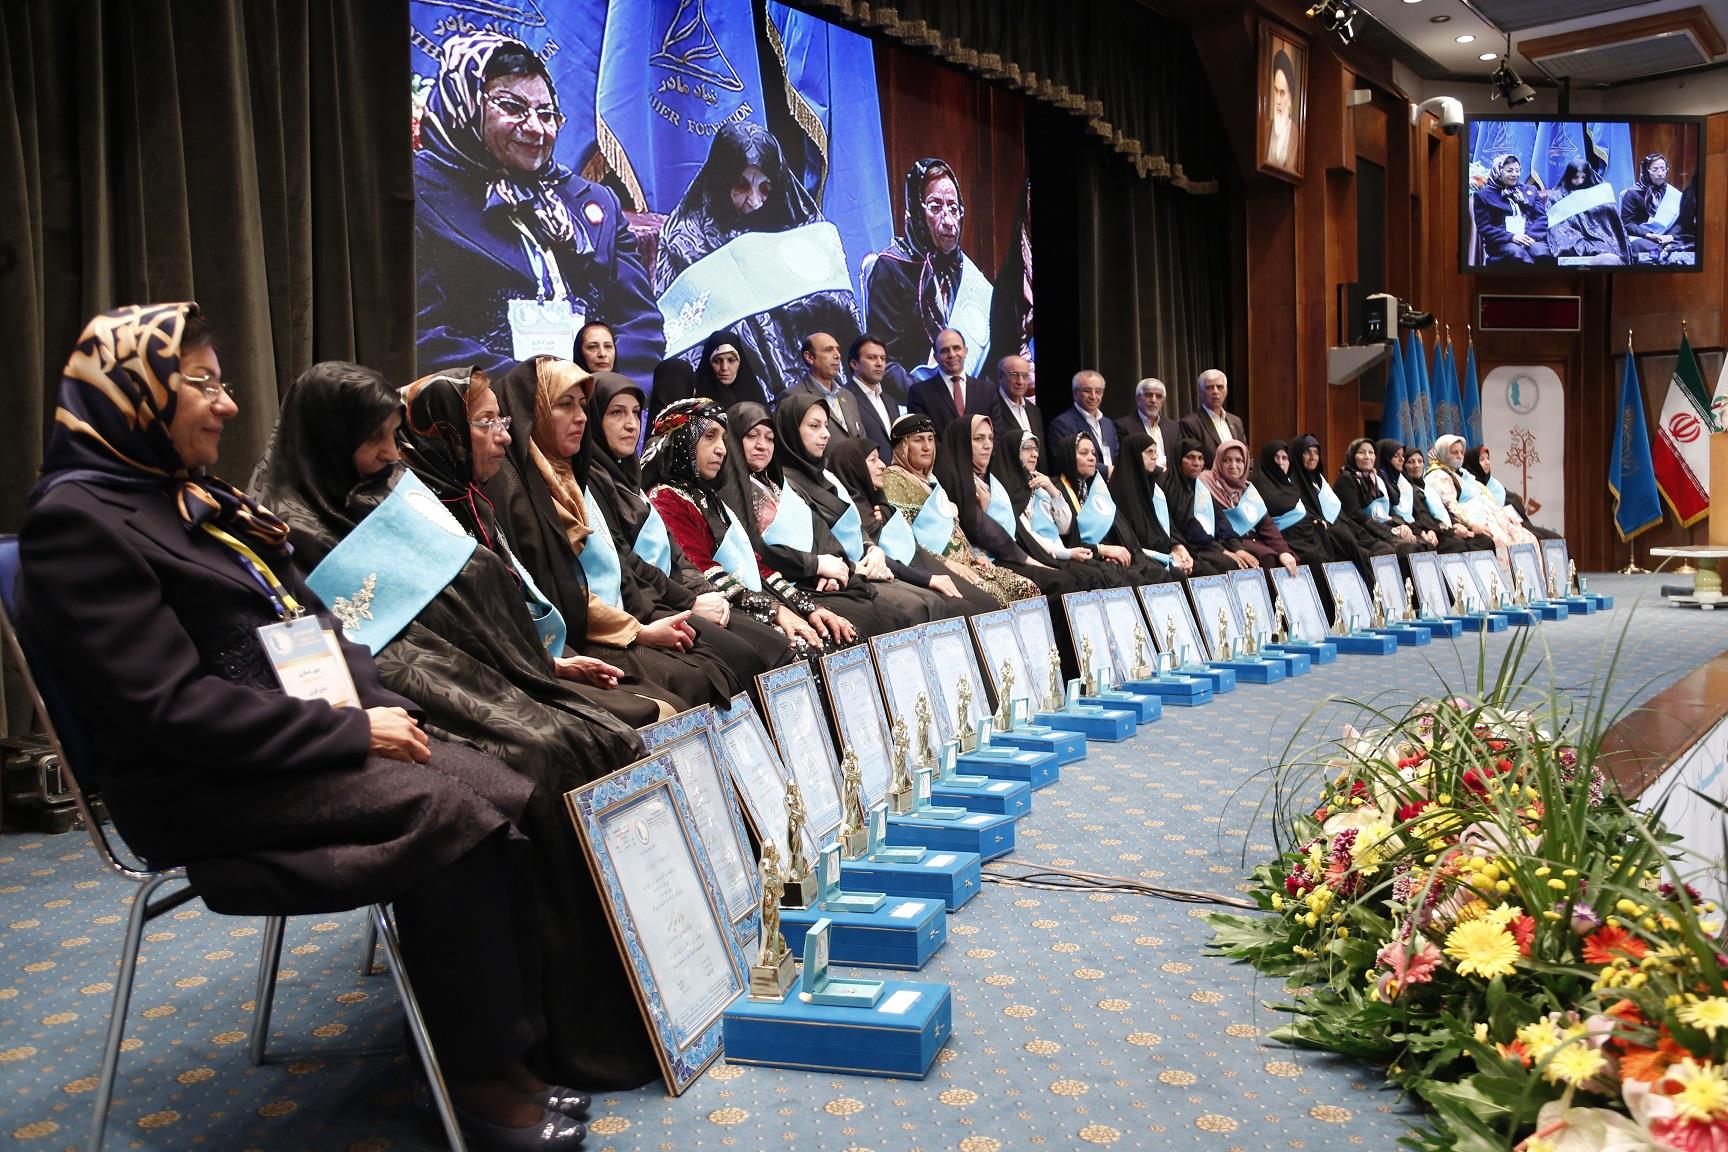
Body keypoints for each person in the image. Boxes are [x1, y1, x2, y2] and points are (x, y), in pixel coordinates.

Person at [26, 304, 589, 1148]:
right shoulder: (79, 523)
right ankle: (473, 1081)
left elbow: (315, 625)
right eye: (202, 383)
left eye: (224, 382)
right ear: (131, 393)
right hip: (199, 785)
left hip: (287, 745)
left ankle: (501, 1050)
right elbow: (172, 708)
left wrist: (375, 706)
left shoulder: (198, 500)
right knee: (451, 817)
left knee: (506, 788)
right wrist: (352, 735)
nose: (228, 404)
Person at [253, 360, 682, 1091]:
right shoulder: (285, 529)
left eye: (394, 435)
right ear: (329, 438)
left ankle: (644, 991)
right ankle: (558, 1031)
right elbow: (343, 654)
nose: (391, 452)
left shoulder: (389, 492)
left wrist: (539, 669)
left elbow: (471, 601)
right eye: (375, 439)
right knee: (542, 761)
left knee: (601, 737)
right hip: (389, 702)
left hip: (485, 674)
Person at [484, 357, 750, 709]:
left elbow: (639, 561)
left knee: (726, 659)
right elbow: (555, 593)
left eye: (583, 406)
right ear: (534, 410)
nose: (581, 417)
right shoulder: (513, 490)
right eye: (565, 404)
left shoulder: (573, 475)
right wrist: (642, 628)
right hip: (580, 634)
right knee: (696, 678)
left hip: (626, 611)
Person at [415, 32, 663, 381]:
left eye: (546, 114)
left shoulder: (596, 202)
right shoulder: (416, 195)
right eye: (512, 108)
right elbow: (423, 336)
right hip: (485, 405)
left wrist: (609, 392)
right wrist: (541, 390)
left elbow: (642, 326)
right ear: (464, 102)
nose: (536, 128)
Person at [579, 369, 795, 676]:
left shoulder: (633, 485)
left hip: (675, 598)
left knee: (780, 643)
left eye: (636, 413)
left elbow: (679, 559)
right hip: (644, 607)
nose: (631, 424)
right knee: (752, 654)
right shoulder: (646, 493)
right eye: (617, 412)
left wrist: (713, 598)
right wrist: (695, 601)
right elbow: (628, 562)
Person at [653, 122, 861, 396]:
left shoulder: (796, 220)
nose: (754, 201)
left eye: (765, 188)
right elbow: (684, 333)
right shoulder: (686, 238)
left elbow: (837, 308)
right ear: (720, 182)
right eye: (741, 186)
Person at [643, 399, 844, 656]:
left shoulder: (707, 497)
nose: (721, 449)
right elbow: (703, 572)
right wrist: (775, 610)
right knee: (805, 649)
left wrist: (808, 607)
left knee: (831, 634)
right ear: (683, 439)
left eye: (723, 439)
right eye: (709, 437)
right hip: (711, 608)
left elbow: (754, 565)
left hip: (745, 601)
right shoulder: (665, 498)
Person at [723, 400, 916, 638]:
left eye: (770, 438)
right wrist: (815, 566)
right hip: (785, 585)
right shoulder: (730, 491)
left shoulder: (778, 483)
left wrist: (836, 567)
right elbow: (755, 552)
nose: (762, 445)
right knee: (868, 619)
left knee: (892, 612)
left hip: (820, 577)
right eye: (752, 436)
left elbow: (819, 531)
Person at [774, 393, 965, 622]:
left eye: (825, 425)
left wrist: (873, 550)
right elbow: (815, 540)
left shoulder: (827, 477)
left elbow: (855, 527)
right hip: (829, 577)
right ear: (791, 430)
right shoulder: (785, 484)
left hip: (861, 569)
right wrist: (853, 566)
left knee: (933, 602)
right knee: (915, 609)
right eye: (814, 426)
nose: (825, 433)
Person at [828, 435, 1000, 614]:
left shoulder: (881, 504)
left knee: (987, 602)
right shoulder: (854, 513)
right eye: (873, 460)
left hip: (923, 568)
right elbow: (883, 561)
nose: (882, 465)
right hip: (904, 578)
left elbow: (913, 546)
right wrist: (929, 578)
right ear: (854, 467)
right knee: (963, 607)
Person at [881, 413, 1038, 606]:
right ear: (902, 446)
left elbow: (954, 530)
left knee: (1026, 587)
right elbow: (906, 541)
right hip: (936, 567)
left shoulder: (930, 480)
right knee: (994, 598)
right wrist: (947, 564)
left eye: (930, 439)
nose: (927, 447)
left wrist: (974, 555)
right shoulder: (893, 480)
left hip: (967, 562)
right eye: (918, 440)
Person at [864, 158, 994, 377]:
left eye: (954, 209)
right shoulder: (891, 268)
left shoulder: (966, 273)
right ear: (916, 211)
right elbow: (884, 361)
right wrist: (928, 393)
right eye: (935, 207)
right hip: (911, 394)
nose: (949, 221)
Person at [994, 430, 1121, 588]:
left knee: (1104, 575)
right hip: (1039, 557)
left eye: (1036, 449)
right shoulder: (1009, 491)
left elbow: (1065, 528)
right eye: (1026, 448)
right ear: (1013, 452)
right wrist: (1067, 553)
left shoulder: (1041, 485)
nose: (1034, 454)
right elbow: (1028, 537)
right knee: (1086, 579)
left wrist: (1053, 492)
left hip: (1058, 555)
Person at [1047, 431, 1161, 582]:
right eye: (1084, 453)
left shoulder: (1093, 489)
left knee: (1157, 572)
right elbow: (1066, 541)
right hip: (1080, 558)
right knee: (1129, 578)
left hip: (1106, 557)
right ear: (1068, 456)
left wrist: (1115, 550)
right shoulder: (1056, 490)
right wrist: (1102, 551)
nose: (1092, 458)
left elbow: (1117, 530)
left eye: (1093, 453)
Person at [1108, 431, 1205, 578]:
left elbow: (1167, 527)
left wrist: (1179, 548)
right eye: (1149, 452)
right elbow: (1130, 541)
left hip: (1163, 553)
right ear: (1134, 454)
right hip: (1139, 558)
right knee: (1178, 575)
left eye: (1155, 452)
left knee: (1201, 568)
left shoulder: (1153, 487)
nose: (1155, 456)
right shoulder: (1120, 492)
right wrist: (1168, 558)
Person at [1198, 439, 1300, 575]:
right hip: (1225, 542)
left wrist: (1284, 552)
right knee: (1267, 558)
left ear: (1246, 463)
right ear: (1218, 461)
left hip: (1251, 540)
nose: (1233, 465)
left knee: (1289, 559)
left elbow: (1267, 525)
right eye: (1227, 460)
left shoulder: (1247, 489)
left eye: (1239, 460)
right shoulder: (1206, 483)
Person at [1427, 434, 1535, 557]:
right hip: (1471, 520)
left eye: (1461, 452)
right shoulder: (1438, 476)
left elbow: (1483, 497)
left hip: (1489, 516)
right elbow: (1450, 505)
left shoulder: (1463, 473)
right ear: (1443, 453)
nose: (1460, 456)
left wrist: (1504, 515)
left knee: (1527, 538)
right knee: (1501, 542)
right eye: (1454, 452)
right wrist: (1471, 524)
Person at [1252, 440, 1345, 570]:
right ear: (1267, 460)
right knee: (1314, 557)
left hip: (1304, 535)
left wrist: (1314, 519)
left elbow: (1301, 509)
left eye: (1284, 458)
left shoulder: (1288, 484)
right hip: (1285, 538)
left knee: (1331, 540)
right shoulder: (1258, 485)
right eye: (1276, 458)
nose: (1281, 462)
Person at [1336, 436, 1422, 565]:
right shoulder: (1346, 478)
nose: (1367, 457)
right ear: (1352, 455)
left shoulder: (1373, 478)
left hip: (1378, 528)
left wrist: (1400, 527)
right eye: (1361, 452)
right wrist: (1390, 531)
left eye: (1371, 452)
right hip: (1360, 532)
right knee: (1403, 549)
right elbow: (1356, 516)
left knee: (1420, 544)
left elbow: (1384, 513)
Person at [1404, 445, 1493, 553]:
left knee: (1485, 541)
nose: (1417, 465)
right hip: (1429, 532)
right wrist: (1431, 530)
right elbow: (1417, 516)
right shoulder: (1407, 489)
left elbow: (1442, 510)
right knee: (1456, 545)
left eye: (1420, 461)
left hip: (1444, 529)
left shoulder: (1427, 488)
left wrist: (1455, 524)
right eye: (1411, 462)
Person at [907, 327, 994, 436]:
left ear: (965, 351)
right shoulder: (919, 393)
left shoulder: (987, 391)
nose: (952, 355)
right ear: (935, 357)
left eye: (956, 348)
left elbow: (996, 432)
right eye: (944, 350)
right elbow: (922, 437)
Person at [1463, 442, 1560, 540]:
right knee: (1536, 538)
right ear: (1473, 463)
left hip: (1517, 524)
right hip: (1497, 528)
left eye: (1488, 458)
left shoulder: (1494, 484)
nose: (1487, 462)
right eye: (1481, 459)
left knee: (1555, 538)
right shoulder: (1469, 485)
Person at [1542, 159, 1629, 265]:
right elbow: (1558, 227)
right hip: (1571, 233)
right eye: (1575, 177)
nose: (1580, 181)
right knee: (1566, 245)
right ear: (1569, 176)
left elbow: (1610, 224)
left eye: (1583, 177)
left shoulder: (1599, 192)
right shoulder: (1557, 195)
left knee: (1610, 250)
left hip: (1599, 236)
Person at [780, 332, 866, 436]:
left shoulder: (848, 396)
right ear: (810, 357)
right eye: (828, 350)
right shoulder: (793, 398)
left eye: (837, 350)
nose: (837, 355)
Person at [1473, 154, 1550, 266]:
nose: (1514, 174)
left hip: (1530, 236)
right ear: (1498, 171)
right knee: (1516, 253)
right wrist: (1511, 237)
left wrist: (1529, 236)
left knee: (1541, 253)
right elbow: (1485, 227)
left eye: (1517, 171)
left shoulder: (1530, 190)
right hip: (1502, 241)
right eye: (1509, 171)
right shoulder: (1483, 196)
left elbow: (1541, 218)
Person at [1621, 153, 1693, 264]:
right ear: (1646, 171)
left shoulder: (1674, 194)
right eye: (1655, 170)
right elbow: (1627, 223)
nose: (1660, 173)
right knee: (1644, 247)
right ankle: (1662, 256)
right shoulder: (1632, 194)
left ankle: (1666, 252)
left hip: (1666, 237)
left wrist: (1670, 236)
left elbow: (1681, 222)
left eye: (1663, 169)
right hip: (1642, 237)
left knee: (1692, 241)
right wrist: (1648, 234)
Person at [1047, 371, 1119, 476]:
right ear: (1075, 393)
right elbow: (1067, 461)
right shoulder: (1062, 424)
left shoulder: (1108, 424)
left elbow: (1117, 457)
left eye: (1098, 391)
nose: (1093, 396)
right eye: (1087, 391)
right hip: (1082, 483)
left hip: (1111, 483)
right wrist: (1106, 471)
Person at [845, 333, 904, 456]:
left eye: (883, 358)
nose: (879, 363)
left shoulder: (890, 402)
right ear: (854, 364)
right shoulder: (844, 398)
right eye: (872, 357)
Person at [1179, 370, 1247, 464]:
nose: (1215, 391)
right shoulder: (1190, 424)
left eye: (1220, 387)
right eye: (1209, 388)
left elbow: (1246, 454)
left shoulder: (1236, 421)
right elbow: (1195, 463)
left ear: (1226, 391)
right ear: (1200, 392)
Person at [1114, 377, 1179, 465]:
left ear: (1163, 401)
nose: (1153, 400)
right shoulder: (1123, 426)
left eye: (1159, 396)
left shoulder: (1173, 427)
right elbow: (1126, 461)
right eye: (1148, 395)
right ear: (1138, 399)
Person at [991, 354, 1043, 444]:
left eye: (1025, 376)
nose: (1020, 382)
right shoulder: (990, 408)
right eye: (1014, 375)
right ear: (1000, 376)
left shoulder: (1034, 411)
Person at [1266, 49, 1296, 169]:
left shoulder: (1296, 135)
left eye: (1282, 93)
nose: (1277, 100)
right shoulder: (1266, 128)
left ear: (1290, 98)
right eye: (1276, 90)